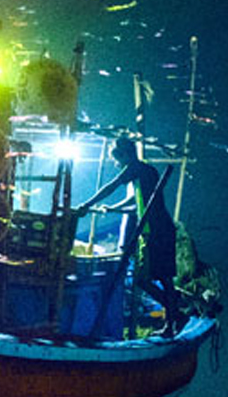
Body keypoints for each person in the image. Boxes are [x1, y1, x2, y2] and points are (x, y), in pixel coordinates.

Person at [77, 137, 187, 337]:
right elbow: (135, 202)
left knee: (152, 279)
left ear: (126, 155)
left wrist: (86, 205)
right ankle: (174, 318)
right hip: (153, 230)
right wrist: (112, 209)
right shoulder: (144, 173)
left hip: (158, 231)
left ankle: (175, 316)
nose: (116, 165)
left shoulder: (137, 169)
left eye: (117, 160)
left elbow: (111, 187)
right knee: (159, 279)